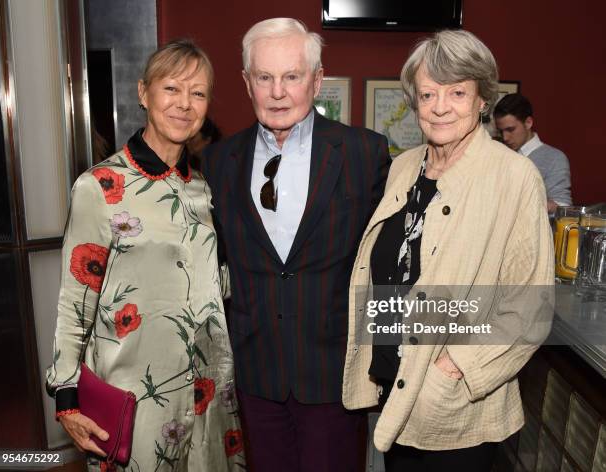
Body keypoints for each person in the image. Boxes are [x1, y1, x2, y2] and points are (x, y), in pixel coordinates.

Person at [342, 30, 554, 471]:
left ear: (482, 100)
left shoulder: (513, 177)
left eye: (457, 92)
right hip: (394, 390)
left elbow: (529, 304)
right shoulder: (403, 167)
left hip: (455, 409)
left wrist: (455, 367)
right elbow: (393, 270)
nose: (440, 106)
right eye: (427, 93)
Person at [200, 18, 390, 472]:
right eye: (264, 77)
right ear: (247, 83)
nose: (278, 92)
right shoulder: (218, 161)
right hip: (255, 370)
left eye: (292, 76)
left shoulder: (365, 152)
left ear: (317, 80)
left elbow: (388, 264)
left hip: (335, 372)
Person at [46, 40, 244, 471]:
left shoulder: (202, 190)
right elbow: (74, 300)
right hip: (135, 398)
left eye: (198, 93)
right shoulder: (99, 186)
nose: (184, 104)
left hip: (206, 392)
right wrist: (66, 394)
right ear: (143, 93)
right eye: (172, 88)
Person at [494, 93, 572, 212]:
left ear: (528, 123)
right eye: (501, 131)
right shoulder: (498, 154)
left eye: (510, 129)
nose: (505, 137)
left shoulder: (555, 158)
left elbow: (562, 208)